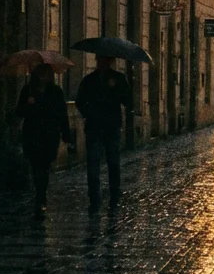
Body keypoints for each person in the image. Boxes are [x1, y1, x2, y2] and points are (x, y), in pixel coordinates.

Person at [15, 64, 72, 219]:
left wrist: (66, 135)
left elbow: (62, 114)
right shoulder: (28, 90)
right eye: (41, 73)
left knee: (44, 166)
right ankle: (39, 195)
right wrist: (28, 105)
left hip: (49, 135)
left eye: (46, 73)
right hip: (32, 134)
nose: (43, 76)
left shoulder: (56, 91)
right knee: (35, 166)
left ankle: (41, 195)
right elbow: (19, 111)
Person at [75, 55, 131, 212]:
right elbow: (80, 101)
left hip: (111, 126)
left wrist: (116, 88)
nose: (101, 63)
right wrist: (89, 113)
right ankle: (94, 199)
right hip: (94, 127)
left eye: (105, 60)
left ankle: (114, 196)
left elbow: (127, 100)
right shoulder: (89, 80)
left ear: (110, 61)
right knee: (93, 165)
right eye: (99, 60)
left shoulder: (119, 78)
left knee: (113, 163)